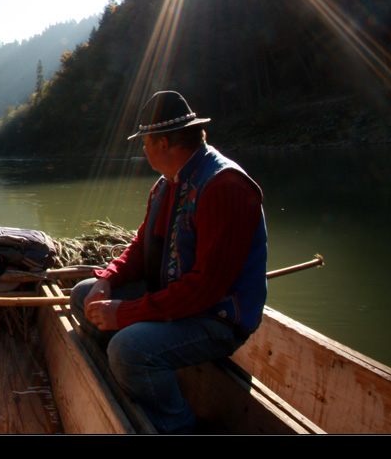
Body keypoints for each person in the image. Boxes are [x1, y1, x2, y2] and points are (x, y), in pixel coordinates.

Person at [71, 91, 267, 434]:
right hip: (176, 300)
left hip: (215, 319)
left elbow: (205, 290)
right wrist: (108, 279)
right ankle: (137, 380)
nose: (142, 149)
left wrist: (126, 313)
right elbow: (142, 246)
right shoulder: (167, 184)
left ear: (163, 143)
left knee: (129, 350)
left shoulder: (225, 187)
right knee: (83, 295)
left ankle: (177, 425)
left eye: (144, 141)